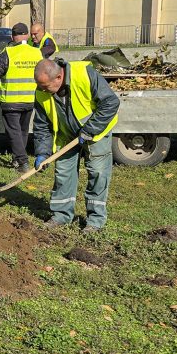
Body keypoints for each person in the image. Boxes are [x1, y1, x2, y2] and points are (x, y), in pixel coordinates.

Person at [32, 58, 119, 232]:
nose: (42, 90)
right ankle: (61, 216)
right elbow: (42, 125)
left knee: (98, 173)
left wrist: (90, 129)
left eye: (45, 86)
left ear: (59, 77)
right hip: (66, 135)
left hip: (96, 133)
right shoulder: (41, 91)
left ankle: (95, 220)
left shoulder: (84, 74)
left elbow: (110, 102)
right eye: (40, 86)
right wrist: (42, 152)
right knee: (63, 174)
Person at [0, 22, 42, 173]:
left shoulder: (8, 53)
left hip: (11, 101)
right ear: (27, 35)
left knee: (14, 132)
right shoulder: (37, 53)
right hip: (30, 99)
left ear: (12, 37)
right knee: (22, 131)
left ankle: (22, 162)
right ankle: (17, 159)